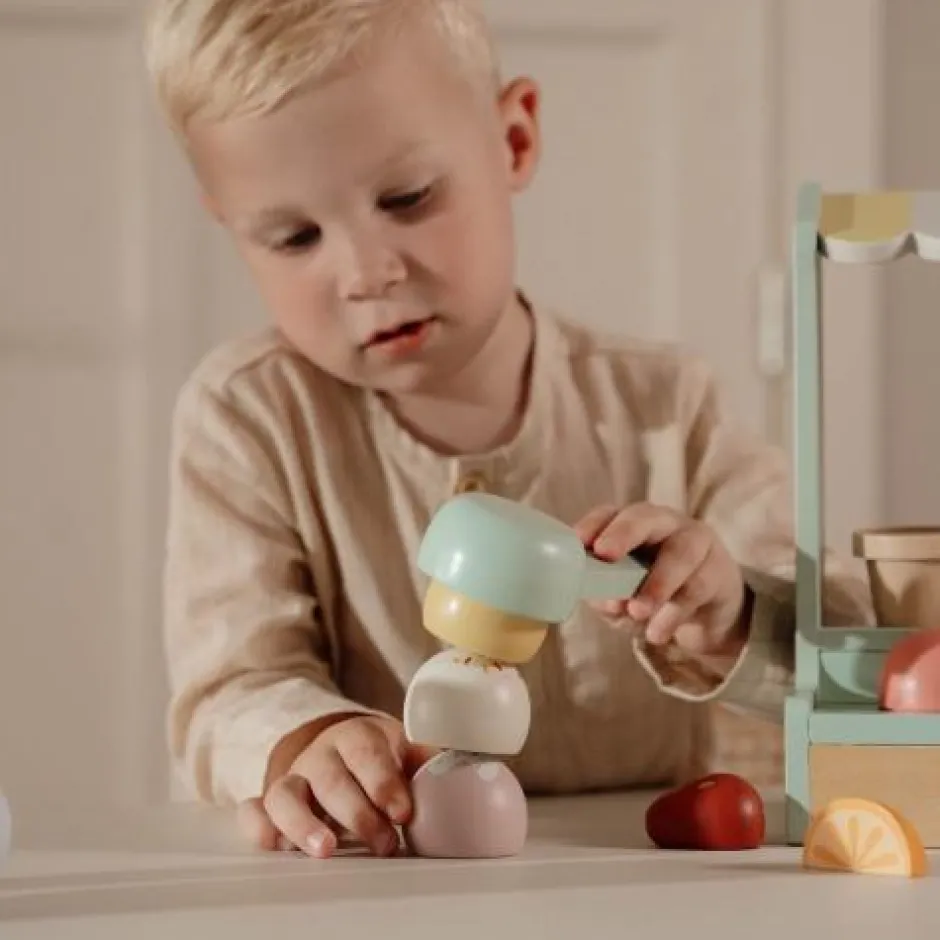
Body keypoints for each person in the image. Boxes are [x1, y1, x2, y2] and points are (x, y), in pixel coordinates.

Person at [145, 0, 873, 860]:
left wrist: (728, 614)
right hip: (384, 887)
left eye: (407, 198)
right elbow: (233, 687)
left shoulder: (666, 405)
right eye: (294, 236)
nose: (367, 273)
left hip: (635, 875)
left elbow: (850, 646)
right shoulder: (248, 418)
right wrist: (307, 742)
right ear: (230, 224)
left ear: (514, 140)